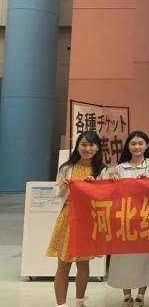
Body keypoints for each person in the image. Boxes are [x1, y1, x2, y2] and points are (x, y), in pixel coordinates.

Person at [105, 130, 149, 307]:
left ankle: (140, 296)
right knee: (123, 259)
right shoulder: (120, 168)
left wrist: (148, 182)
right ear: (128, 146)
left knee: (144, 259)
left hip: (145, 220)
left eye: (140, 143)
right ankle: (126, 295)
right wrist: (111, 179)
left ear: (147, 146)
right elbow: (112, 194)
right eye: (133, 143)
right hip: (124, 221)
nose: (137, 147)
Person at [47, 131, 105, 307]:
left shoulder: (102, 170)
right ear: (77, 146)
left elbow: (105, 196)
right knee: (63, 264)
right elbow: (57, 193)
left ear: (97, 147)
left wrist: (96, 185)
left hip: (88, 220)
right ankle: (61, 304)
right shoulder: (67, 168)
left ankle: (80, 302)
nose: (88, 148)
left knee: (83, 263)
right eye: (84, 144)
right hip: (68, 217)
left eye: (91, 145)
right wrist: (62, 186)